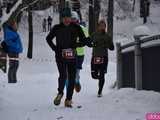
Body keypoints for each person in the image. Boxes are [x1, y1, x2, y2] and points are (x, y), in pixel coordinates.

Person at [46, 8, 89, 107]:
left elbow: (83, 40)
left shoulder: (76, 27)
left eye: (68, 17)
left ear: (70, 18)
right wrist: (55, 48)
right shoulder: (57, 28)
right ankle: (60, 93)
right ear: (62, 18)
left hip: (72, 56)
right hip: (60, 56)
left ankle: (68, 99)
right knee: (63, 76)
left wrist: (77, 44)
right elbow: (48, 39)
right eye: (64, 18)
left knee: (72, 77)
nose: (66, 20)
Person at [90, 20, 114, 97]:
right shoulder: (94, 35)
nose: (102, 27)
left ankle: (100, 91)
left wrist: (108, 45)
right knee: (94, 75)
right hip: (95, 57)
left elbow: (112, 47)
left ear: (105, 27)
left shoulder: (107, 36)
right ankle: (100, 78)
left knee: (102, 74)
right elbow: (88, 42)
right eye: (101, 25)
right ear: (98, 26)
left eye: (103, 26)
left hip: (104, 57)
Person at [67, 11, 89, 93]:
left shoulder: (82, 28)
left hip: (79, 54)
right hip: (69, 54)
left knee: (75, 72)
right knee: (68, 73)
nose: (73, 21)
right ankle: (69, 93)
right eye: (71, 19)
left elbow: (86, 39)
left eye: (74, 19)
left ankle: (76, 81)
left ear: (77, 20)